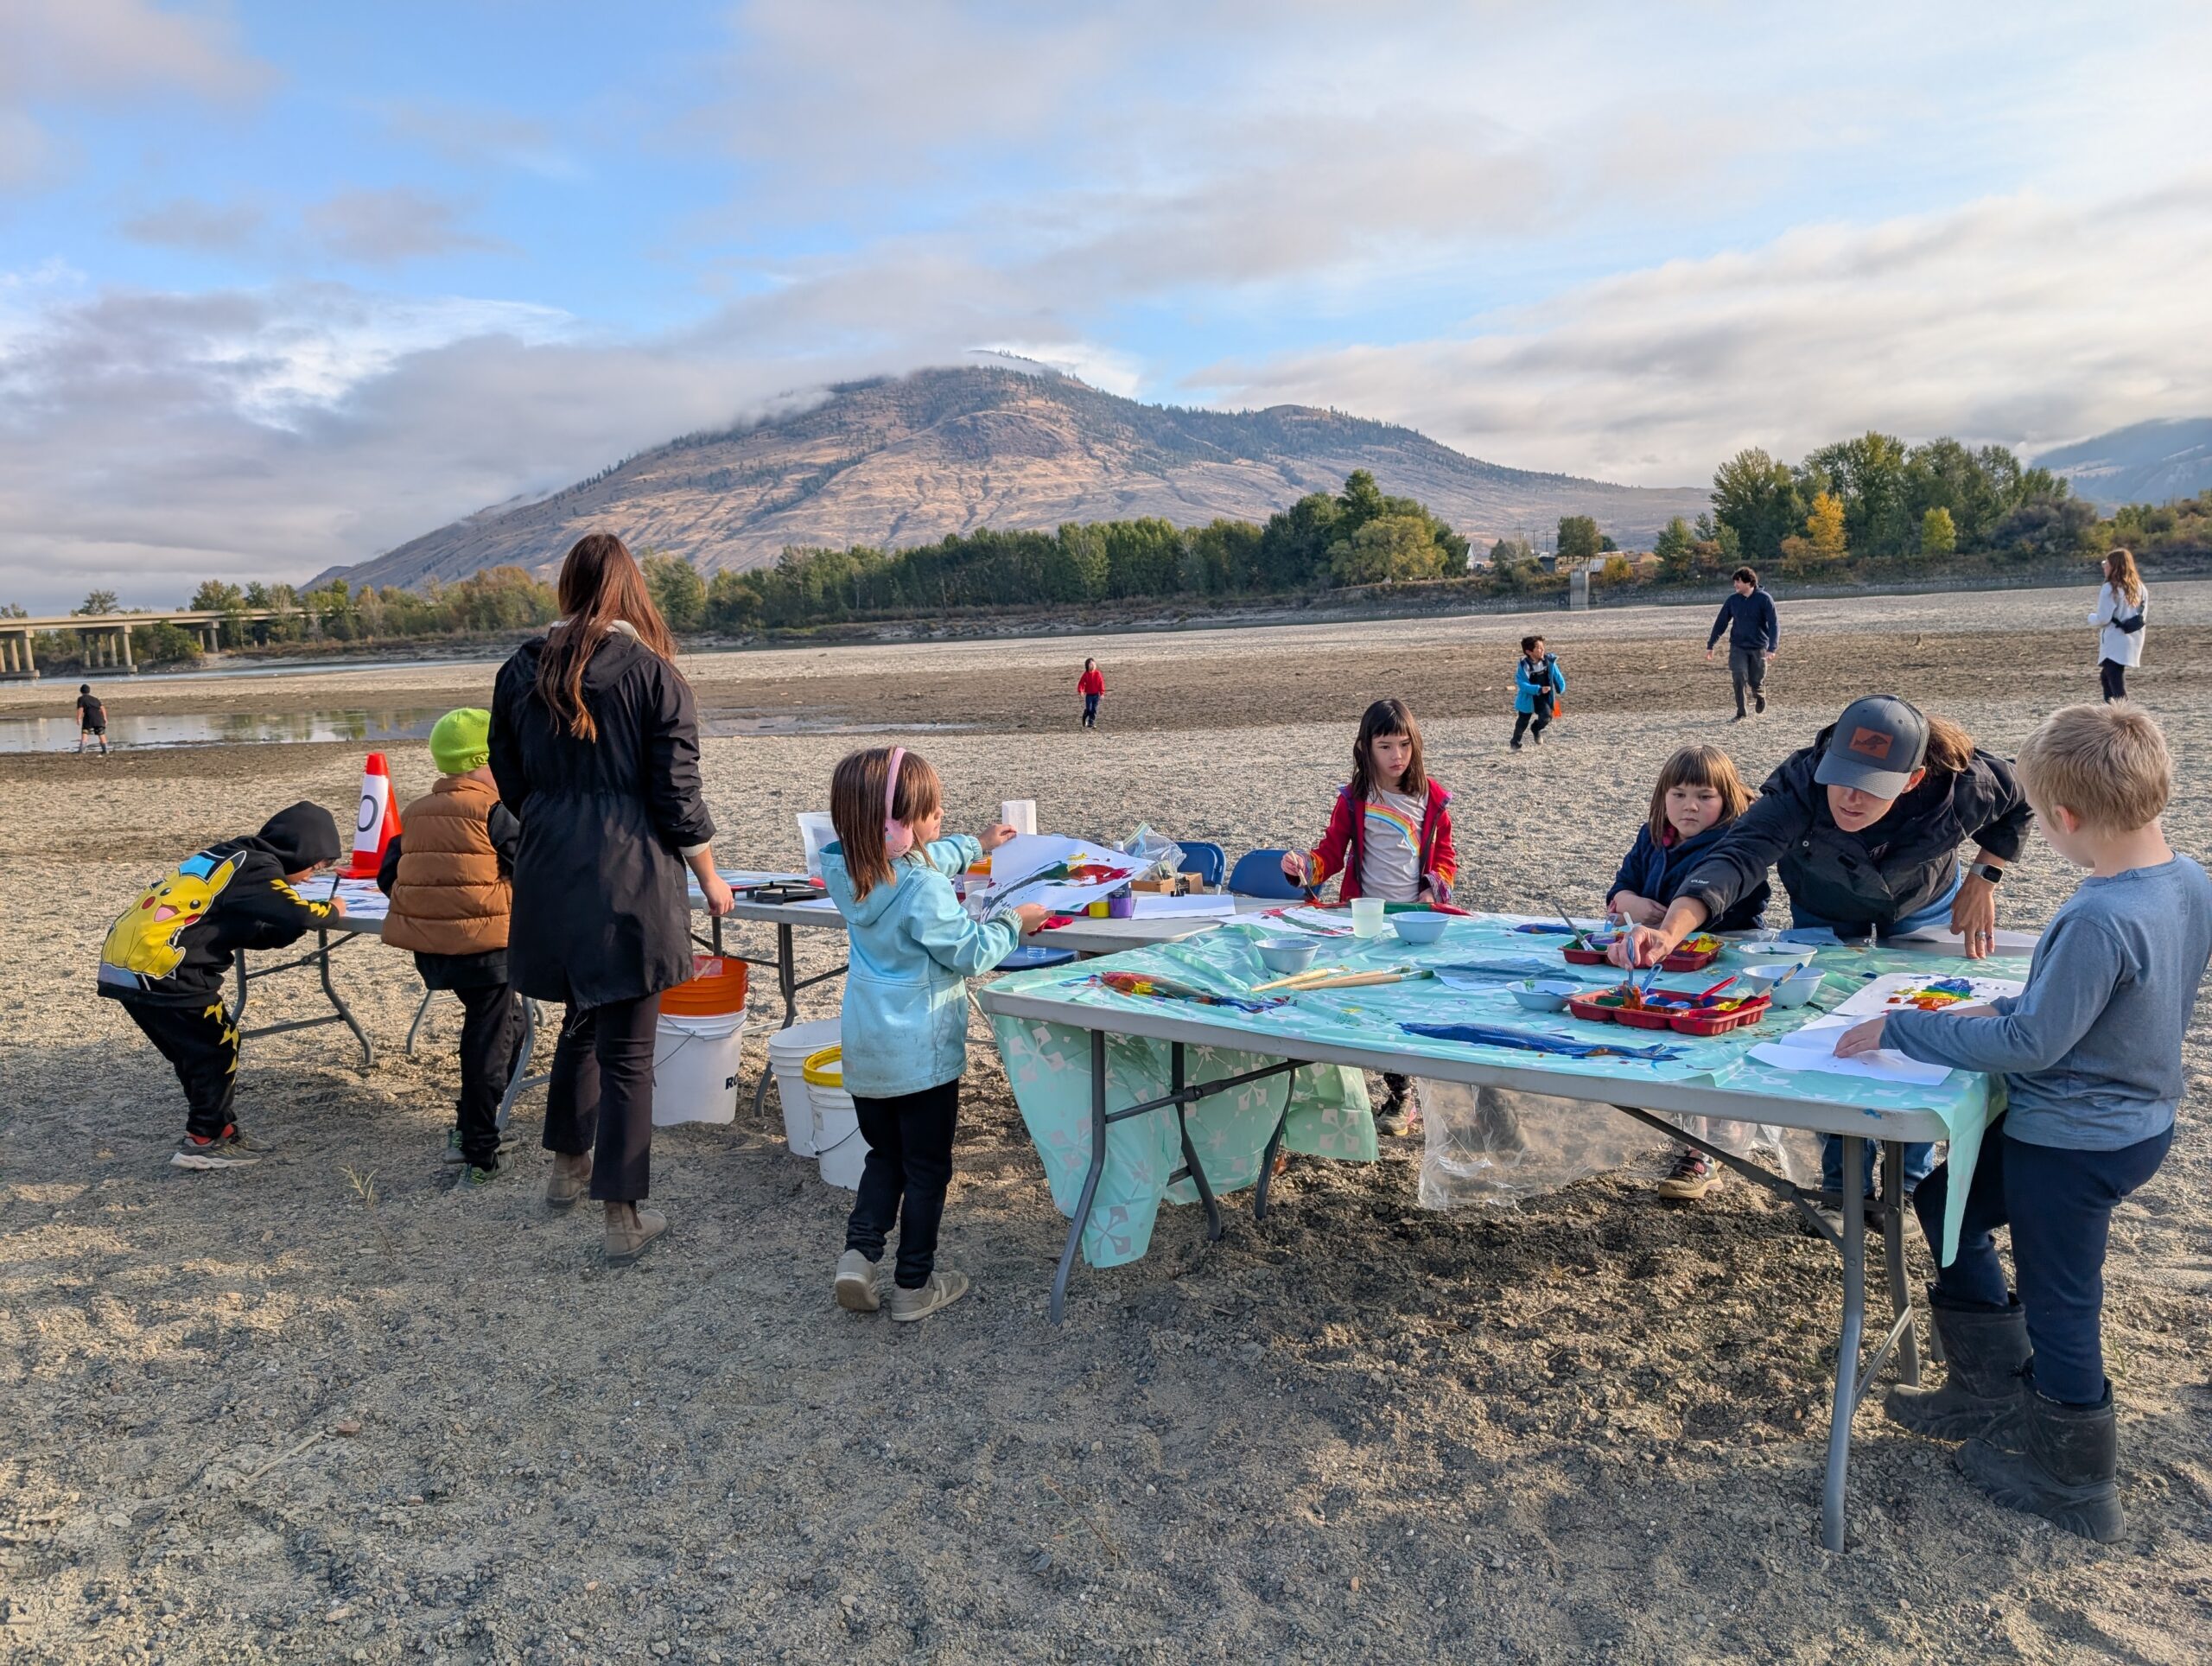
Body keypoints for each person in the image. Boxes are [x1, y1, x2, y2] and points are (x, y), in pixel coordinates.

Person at [1836, 703, 2212, 1542]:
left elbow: (2033, 1043)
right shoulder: (2187, 877)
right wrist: (2008, 1003)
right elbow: (2100, 1003)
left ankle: (2072, 1479)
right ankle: (1988, 1383)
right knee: (1946, 1205)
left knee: (2062, 1298)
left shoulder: (2096, 914)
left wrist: (1904, 1025)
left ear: (2068, 818)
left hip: (2075, 1139)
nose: (2037, 829)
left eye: (2039, 818)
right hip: (2133, 1122)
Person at [1608, 694, 2032, 1220]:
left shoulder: (1962, 785)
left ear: (1913, 779)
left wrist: (1985, 876)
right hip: (1825, 898)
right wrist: (1672, 930)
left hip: (1922, 901)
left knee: (1922, 1017)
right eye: (1842, 779)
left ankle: (1908, 1182)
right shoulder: (1799, 784)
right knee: (1829, 1026)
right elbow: (1738, 856)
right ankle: (1840, 1189)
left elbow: (2025, 794)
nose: (1850, 799)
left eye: (1871, 787)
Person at [490, 532, 736, 1264]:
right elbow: (677, 795)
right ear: (631, 591)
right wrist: (710, 875)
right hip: (629, 871)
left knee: (582, 1021)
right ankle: (623, 1216)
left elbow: (509, 778)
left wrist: (558, 815)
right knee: (628, 1047)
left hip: (549, 865)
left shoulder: (518, 669)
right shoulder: (654, 674)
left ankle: (567, 1169)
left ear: (568, 589)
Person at [823, 746, 1044, 1321]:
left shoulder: (848, 869)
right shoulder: (922, 890)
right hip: (919, 1058)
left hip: (867, 1053)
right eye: (930, 810)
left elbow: (925, 858)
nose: (940, 816)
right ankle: (913, 1287)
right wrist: (1012, 923)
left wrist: (978, 844)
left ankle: (859, 1255)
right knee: (927, 1170)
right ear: (896, 826)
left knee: (884, 1157)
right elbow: (969, 952)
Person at [96, 803, 345, 1168]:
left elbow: (243, 928)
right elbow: (300, 913)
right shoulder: (260, 868)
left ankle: (221, 1130)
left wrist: (285, 931)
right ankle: (202, 1139)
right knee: (216, 1049)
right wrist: (335, 907)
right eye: (317, 866)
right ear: (299, 852)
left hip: (125, 964)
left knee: (197, 1051)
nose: (312, 877)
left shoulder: (231, 857)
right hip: (167, 970)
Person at [1282, 696, 1459, 1134]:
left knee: (1407, 1003)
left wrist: (1432, 887)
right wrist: (1304, 866)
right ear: (1365, 748)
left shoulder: (1431, 798)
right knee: (1371, 1005)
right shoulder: (1355, 799)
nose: (1396, 756)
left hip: (1415, 920)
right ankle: (1393, 1093)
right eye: (1385, 746)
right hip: (1365, 919)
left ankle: (1405, 1096)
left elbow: (1447, 858)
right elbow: (1330, 854)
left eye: (1404, 745)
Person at [1604, 744, 1771, 1200]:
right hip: (1663, 965)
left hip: (1722, 962)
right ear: (1662, 798)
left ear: (1730, 799)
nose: (1689, 806)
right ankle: (1692, 1142)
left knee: (1718, 1053)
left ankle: (1709, 1153)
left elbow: (1740, 902)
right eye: (1678, 794)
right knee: (1679, 1051)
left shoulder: (1738, 842)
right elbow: (1618, 891)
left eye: (1705, 795)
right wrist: (1632, 903)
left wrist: (1672, 921)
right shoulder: (1653, 835)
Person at [376, 709, 524, 1186]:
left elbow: (388, 876)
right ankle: (479, 1149)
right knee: (487, 1042)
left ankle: (469, 1127)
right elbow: (535, 869)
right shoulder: (494, 812)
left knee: (510, 1028)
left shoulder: (416, 812)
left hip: (434, 953)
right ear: (488, 760)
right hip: (489, 950)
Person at [1705, 566, 1779, 721]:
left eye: (1738, 582)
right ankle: (1741, 712)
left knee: (1756, 680)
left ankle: (1759, 694)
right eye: (1735, 582)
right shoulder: (1733, 600)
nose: (1735, 585)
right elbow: (1721, 622)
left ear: (1748, 582)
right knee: (1738, 676)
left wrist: (1772, 648)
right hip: (1738, 646)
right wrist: (1711, 644)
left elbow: (1774, 624)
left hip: (1759, 646)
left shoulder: (1764, 599)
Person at [2088, 547, 2146, 703]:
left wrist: (2091, 618)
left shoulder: (2110, 588)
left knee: (2114, 681)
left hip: (2115, 640)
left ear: (2113, 566)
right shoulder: (2140, 588)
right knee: (2107, 676)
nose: (2104, 567)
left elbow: (2103, 619)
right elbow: (2142, 616)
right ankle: (2111, 713)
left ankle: (2123, 718)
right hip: (2133, 638)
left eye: (2106, 564)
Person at [1510, 635, 1564, 750]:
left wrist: (1560, 686)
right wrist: (1538, 689)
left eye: (1542, 647)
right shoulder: (1524, 666)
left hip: (1544, 697)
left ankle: (1535, 728)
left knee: (1547, 717)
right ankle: (1515, 742)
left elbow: (1556, 675)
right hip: (1528, 698)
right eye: (1539, 648)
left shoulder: (1549, 661)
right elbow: (1523, 685)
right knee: (1522, 722)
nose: (1542, 650)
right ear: (1529, 652)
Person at [76, 684, 109, 754]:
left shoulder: (81, 699)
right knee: (101, 733)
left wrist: (78, 718)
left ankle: (82, 750)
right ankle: (106, 750)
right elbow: (102, 708)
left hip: (88, 717)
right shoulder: (95, 699)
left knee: (85, 732)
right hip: (98, 718)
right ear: (89, 691)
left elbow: (81, 709)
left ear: (81, 691)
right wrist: (105, 718)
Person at [1077, 658, 1105, 728]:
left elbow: (1101, 683)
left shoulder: (1098, 673)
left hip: (1096, 695)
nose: (1092, 665)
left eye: (1093, 664)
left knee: (1094, 709)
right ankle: (1085, 716)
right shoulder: (1086, 674)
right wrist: (1081, 691)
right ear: (1087, 665)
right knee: (1089, 709)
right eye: (1090, 664)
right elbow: (1081, 683)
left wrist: (1102, 693)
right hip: (1089, 695)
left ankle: (1091, 723)